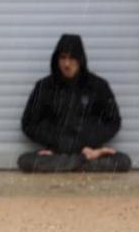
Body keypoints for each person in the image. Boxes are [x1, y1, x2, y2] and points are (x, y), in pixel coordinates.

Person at [18, 33, 131, 173]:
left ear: (80, 60)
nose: (67, 64)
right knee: (25, 161)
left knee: (123, 161)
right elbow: (29, 123)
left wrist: (89, 142)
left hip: (89, 150)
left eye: (72, 58)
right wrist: (61, 143)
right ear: (56, 60)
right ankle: (81, 162)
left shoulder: (98, 86)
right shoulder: (44, 87)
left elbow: (113, 121)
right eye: (63, 58)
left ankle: (69, 164)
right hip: (58, 152)